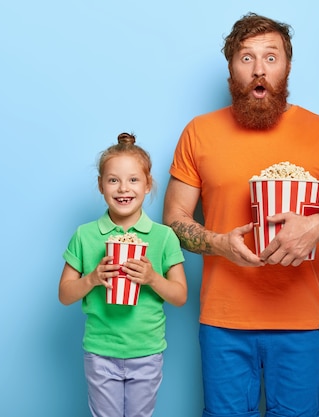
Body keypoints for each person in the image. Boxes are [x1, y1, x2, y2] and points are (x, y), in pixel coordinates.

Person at [163, 12, 319, 417]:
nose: (258, 70)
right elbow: (174, 220)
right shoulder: (199, 132)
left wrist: (316, 224)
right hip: (223, 321)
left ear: (287, 67)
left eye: (271, 58)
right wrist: (219, 242)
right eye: (246, 58)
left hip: (301, 321)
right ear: (231, 70)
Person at [59, 132, 187, 417]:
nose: (122, 189)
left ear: (147, 184)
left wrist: (153, 278)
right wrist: (92, 278)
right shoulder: (85, 235)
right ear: (101, 186)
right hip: (100, 350)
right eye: (113, 180)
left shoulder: (163, 237)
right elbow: (65, 294)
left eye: (133, 180)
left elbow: (180, 296)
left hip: (147, 350)